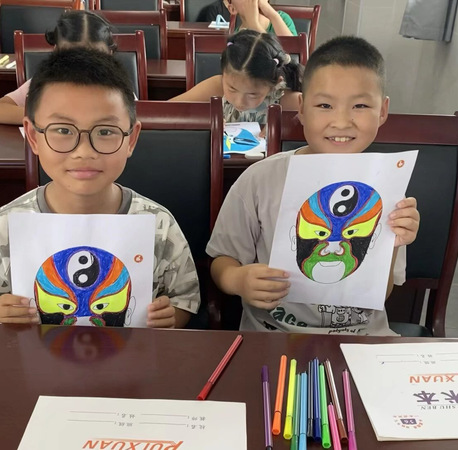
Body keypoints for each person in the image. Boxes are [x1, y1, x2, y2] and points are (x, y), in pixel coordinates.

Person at [0, 48, 200, 328]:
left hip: (130, 356)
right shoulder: (4, 227)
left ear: (132, 139)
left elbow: (184, 301)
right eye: (63, 130)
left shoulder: (159, 225)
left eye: (105, 131)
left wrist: (170, 318)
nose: (84, 152)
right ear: (33, 137)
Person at [206, 36, 421, 335]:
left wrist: (394, 243)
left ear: (382, 111)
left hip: (363, 340)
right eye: (324, 105)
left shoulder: (388, 192)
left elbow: (380, 293)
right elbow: (221, 260)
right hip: (272, 336)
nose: (341, 121)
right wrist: (238, 280)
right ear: (302, 108)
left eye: (360, 105)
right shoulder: (260, 179)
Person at [0, 10, 116, 126]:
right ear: (56, 52)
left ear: (109, 54)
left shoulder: (117, 87)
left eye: (95, 55)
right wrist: (46, 116)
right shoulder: (47, 82)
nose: (83, 64)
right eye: (71, 55)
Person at [171, 30, 302, 127]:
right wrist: (201, 123)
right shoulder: (216, 87)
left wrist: (284, 128)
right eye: (232, 89)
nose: (240, 102)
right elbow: (165, 112)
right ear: (223, 73)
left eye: (253, 94)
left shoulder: (284, 99)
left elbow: (313, 121)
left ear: (274, 84)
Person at [225, 0, 296, 36]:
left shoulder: (282, 18)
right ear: (232, 9)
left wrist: (273, 16)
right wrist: (253, 24)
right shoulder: (237, 37)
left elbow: (293, 55)